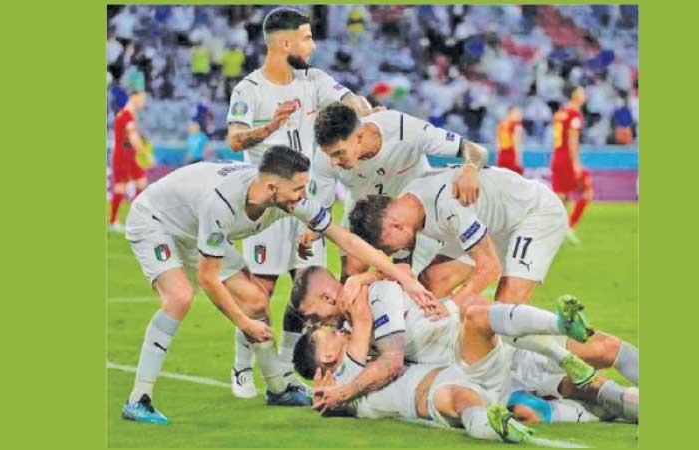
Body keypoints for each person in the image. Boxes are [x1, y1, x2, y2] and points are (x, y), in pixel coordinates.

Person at [120, 146, 434, 424]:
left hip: (195, 228)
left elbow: (345, 238)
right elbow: (208, 277)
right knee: (180, 296)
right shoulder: (223, 204)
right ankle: (138, 398)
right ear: (272, 187)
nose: (302, 195)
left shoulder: (287, 199)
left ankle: (278, 387)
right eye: (297, 188)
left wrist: (400, 275)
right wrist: (243, 323)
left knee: (256, 300)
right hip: (156, 221)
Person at [224, 7, 375, 398]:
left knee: (307, 290)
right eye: (307, 38)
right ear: (285, 43)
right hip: (269, 207)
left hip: (307, 203)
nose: (313, 45)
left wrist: (365, 110)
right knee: (260, 290)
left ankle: (288, 375)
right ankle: (242, 366)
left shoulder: (315, 80)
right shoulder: (250, 89)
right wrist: (270, 127)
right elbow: (235, 139)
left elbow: (347, 98)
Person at [294, 272, 638, 429]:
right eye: (317, 326)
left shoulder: (361, 321)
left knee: (604, 349)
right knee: (478, 321)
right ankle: (607, 398)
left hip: (506, 349)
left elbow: (401, 272)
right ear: (325, 359)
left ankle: (617, 400)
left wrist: (365, 276)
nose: (323, 324)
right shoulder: (357, 345)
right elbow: (386, 359)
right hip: (473, 362)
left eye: (316, 318)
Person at [311, 102, 488, 281]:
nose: (333, 162)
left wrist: (470, 168)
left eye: (339, 153)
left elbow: (474, 150)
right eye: (330, 155)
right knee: (351, 274)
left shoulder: (404, 129)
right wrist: (311, 232)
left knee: (417, 279)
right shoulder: (324, 158)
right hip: (364, 211)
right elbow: (321, 211)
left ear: (359, 135)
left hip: (411, 212)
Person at [349, 167, 566, 304]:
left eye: (385, 247)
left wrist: (450, 311)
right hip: (489, 223)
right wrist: (361, 279)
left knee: (506, 308)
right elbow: (404, 271)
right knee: (432, 282)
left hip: (533, 214)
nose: (389, 252)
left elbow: (489, 268)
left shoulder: (449, 203)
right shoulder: (405, 209)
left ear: (395, 226)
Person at [551, 86, 593, 244]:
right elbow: (572, 140)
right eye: (582, 92)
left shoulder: (561, 112)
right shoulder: (574, 115)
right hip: (567, 158)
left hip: (558, 155)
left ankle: (558, 230)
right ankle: (567, 227)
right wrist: (576, 163)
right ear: (575, 95)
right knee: (586, 192)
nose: (584, 95)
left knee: (563, 197)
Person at [109, 90, 148, 233]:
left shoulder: (128, 115)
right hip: (123, 155)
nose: (143, 103)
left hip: (130, 155)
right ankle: (113, 222)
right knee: (121, 186)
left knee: (141, 182)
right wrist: (146, 154)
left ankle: (136, 220)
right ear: (134, 98)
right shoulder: (126, 115)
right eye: (142, 99)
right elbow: (133, 138)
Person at [495, 106, 524, 175]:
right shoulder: (516, 125)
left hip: (501, 155)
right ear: (511, 113)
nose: (520, 116)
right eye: (517, 114)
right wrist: (518, 159)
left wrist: (498, 156)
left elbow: (498, 143)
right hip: (511, 154)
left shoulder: (501, 124)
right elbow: (517, 143)